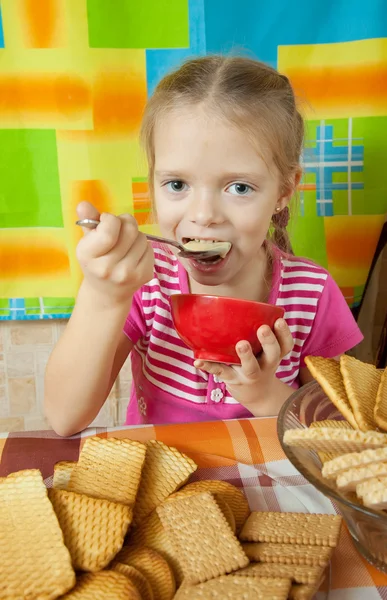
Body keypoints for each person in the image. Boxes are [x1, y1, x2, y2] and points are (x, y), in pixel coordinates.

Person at [44, 56, 363, 436]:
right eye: (177, 184)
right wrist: (102, 294)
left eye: (239, 187)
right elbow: (64, 418)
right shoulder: (146, 284)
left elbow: (338, 435)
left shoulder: (312, 295)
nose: (204, 214)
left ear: (284, 190)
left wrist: (265, 394)